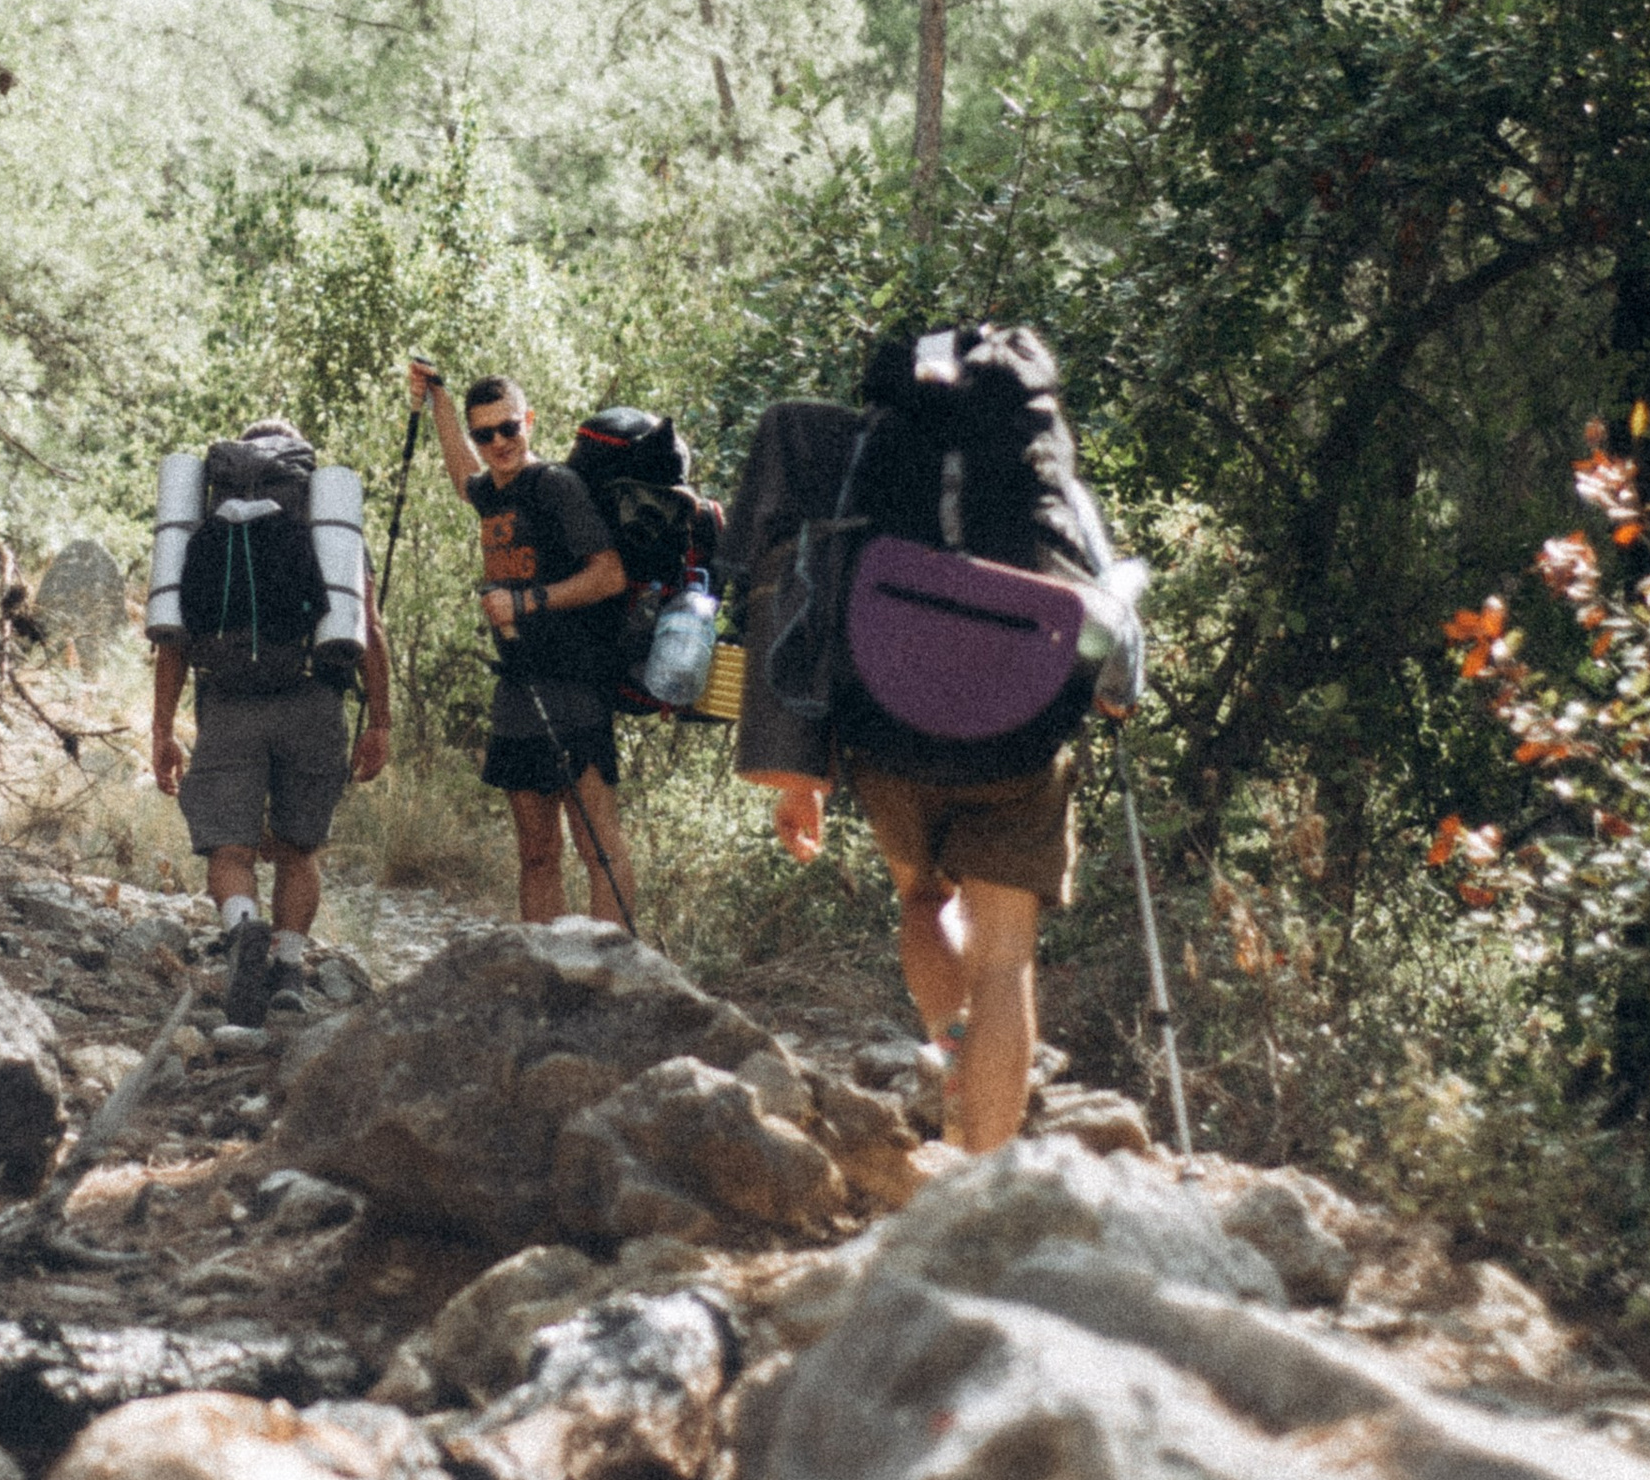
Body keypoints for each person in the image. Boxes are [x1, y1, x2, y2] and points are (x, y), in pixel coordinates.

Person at [724, 323, 1142, 1154]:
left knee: (922, 901)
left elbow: (812, 599)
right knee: (1004, 959)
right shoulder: (1046, 482)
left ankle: (953, 1045)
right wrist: (1117, 699)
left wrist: (803, 771)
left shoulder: (868, 469)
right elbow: (1113, 622)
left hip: (891, 729)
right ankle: (985, 1180)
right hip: (1015, 743)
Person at [148, 420, 392, 1028]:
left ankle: (242, 929)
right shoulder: (325, 522)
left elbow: (173, 638)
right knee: (296, 848)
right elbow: (371, 629)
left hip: (227, 700)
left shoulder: (205, 522)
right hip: (312, 697)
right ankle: (286, 969)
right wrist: (380, 720)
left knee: (229, 849)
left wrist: (162, 728)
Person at [410, 363, 636, 926]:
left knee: (597, 848)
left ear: (528, 422)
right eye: (484, 434)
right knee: (537, 854)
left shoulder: (557, 486)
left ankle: (614, 978)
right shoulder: (491, 492)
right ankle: (546, 978)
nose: (497, 444)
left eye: (507, 429)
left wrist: (528, 601)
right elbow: (463, 475)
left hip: (576, 686)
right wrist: (438, 400)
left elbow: (609, 576)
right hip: (517, 690)